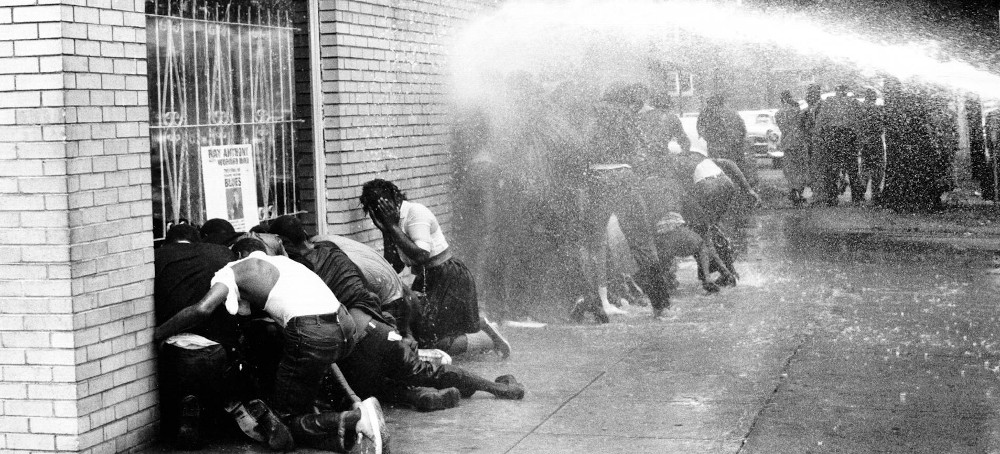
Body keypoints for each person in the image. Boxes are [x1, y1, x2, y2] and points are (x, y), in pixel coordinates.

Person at [264, 215, 527, 412]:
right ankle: (492, 388)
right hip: (382, 329)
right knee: (422, 372)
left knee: (362, 384)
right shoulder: (329, 249)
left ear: (284, 243)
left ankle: (419, 395)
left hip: (358, 337)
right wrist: (401, 332)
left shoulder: (297, 267)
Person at [154, 237, 377, 452]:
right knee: (304, 390)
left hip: (313, 332)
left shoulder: (233, 269)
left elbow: (202, 309)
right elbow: (319, 343)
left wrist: (159, 332)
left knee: (286, 421)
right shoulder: (288, 264)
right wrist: (352, 396)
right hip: (345, 327)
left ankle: (352, 420)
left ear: (239, 254)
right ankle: (343, 433)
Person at [360, 179, 511, 358]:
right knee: (418, 332)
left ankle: (487, 338)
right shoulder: (393, 223)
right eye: (375, 213)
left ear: (393, 200)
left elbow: (422, 255)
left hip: (449, 276)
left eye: (381, 208)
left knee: (436, 341)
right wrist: (387, 231)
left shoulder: (415, 213)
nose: (379, 216)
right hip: (427, 277)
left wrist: (392, 227)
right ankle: (478, 323)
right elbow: (396, 266)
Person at [573, 82, 673, 320]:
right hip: (626, 177)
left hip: (599, 177)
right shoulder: (628, 116)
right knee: (642, 244)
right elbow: (643, 150)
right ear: (627, 100)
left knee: (593, 244)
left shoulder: (593, 112)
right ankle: (661, 306)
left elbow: (581, 146)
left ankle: (597, 302)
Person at [155, 224, 251, 449]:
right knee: (221, 387)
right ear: (197, 241)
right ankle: (235, 405)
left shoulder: (156, 257)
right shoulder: (222, 254)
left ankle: (188, 409)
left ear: (169, 242)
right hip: (217, 349)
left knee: (176, 393)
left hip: (176, 348)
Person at [672, 151, 760, 293]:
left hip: (707, 188)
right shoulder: (698, 157)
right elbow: (730, 163)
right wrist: (748, 189)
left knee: (701, 231)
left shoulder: (674, 164)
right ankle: (727, 268)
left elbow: (679, 194)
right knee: (712, 228)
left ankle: (718, 273)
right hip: (726, 184)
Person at [814, 84, 861, 205]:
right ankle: (856, 196)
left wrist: (820, 135)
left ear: (836, 91)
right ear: (845, 91)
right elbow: (859, 120)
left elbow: (821, 120)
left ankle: (832, 196)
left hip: (833, 135)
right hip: (848, 135)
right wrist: (858, 137)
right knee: (852, 167)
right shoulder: (852, 102)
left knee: (832, 167)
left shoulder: (829, 102)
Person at [696, 94, 755, 186]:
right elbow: (742, 129)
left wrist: (710, 139)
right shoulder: (732, 113)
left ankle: (728, 188)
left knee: (720, 170)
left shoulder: (706, 113)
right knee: (736, 169)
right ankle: (742, 188)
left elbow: (700, 129)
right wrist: (737, 142)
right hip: (734, 147)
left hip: (717, 147)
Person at [774, 90, 809, 206]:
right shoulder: (797, 111)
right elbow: (803, 124)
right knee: (801, 168)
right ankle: (799, 190)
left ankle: (793, 189)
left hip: (788, 143)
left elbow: (783, 126)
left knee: (790, 169)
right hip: (799, 142)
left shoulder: (779, 113)